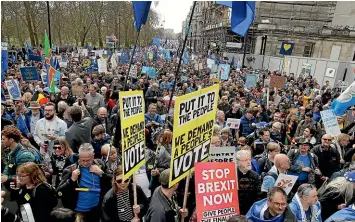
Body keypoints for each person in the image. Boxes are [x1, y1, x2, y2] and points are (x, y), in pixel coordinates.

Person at [57, 143, 110, 222]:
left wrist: (102, 174)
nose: (85, 163)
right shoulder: (70, 169)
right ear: (79, 156)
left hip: (95, 210)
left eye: (88, 160)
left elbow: (112, 183)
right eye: (82, 160)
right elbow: (59, 192)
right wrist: (71, 180)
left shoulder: (100, 165)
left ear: (93, 155)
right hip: (76, 212)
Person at [236, 150, 261, 215]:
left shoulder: (255, 176)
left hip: (251, 211)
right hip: (236, 211)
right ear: (238, 162)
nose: (248, 162)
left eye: (249, 159)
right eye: (245, 160)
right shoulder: (232, 175)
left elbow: (259, 195)